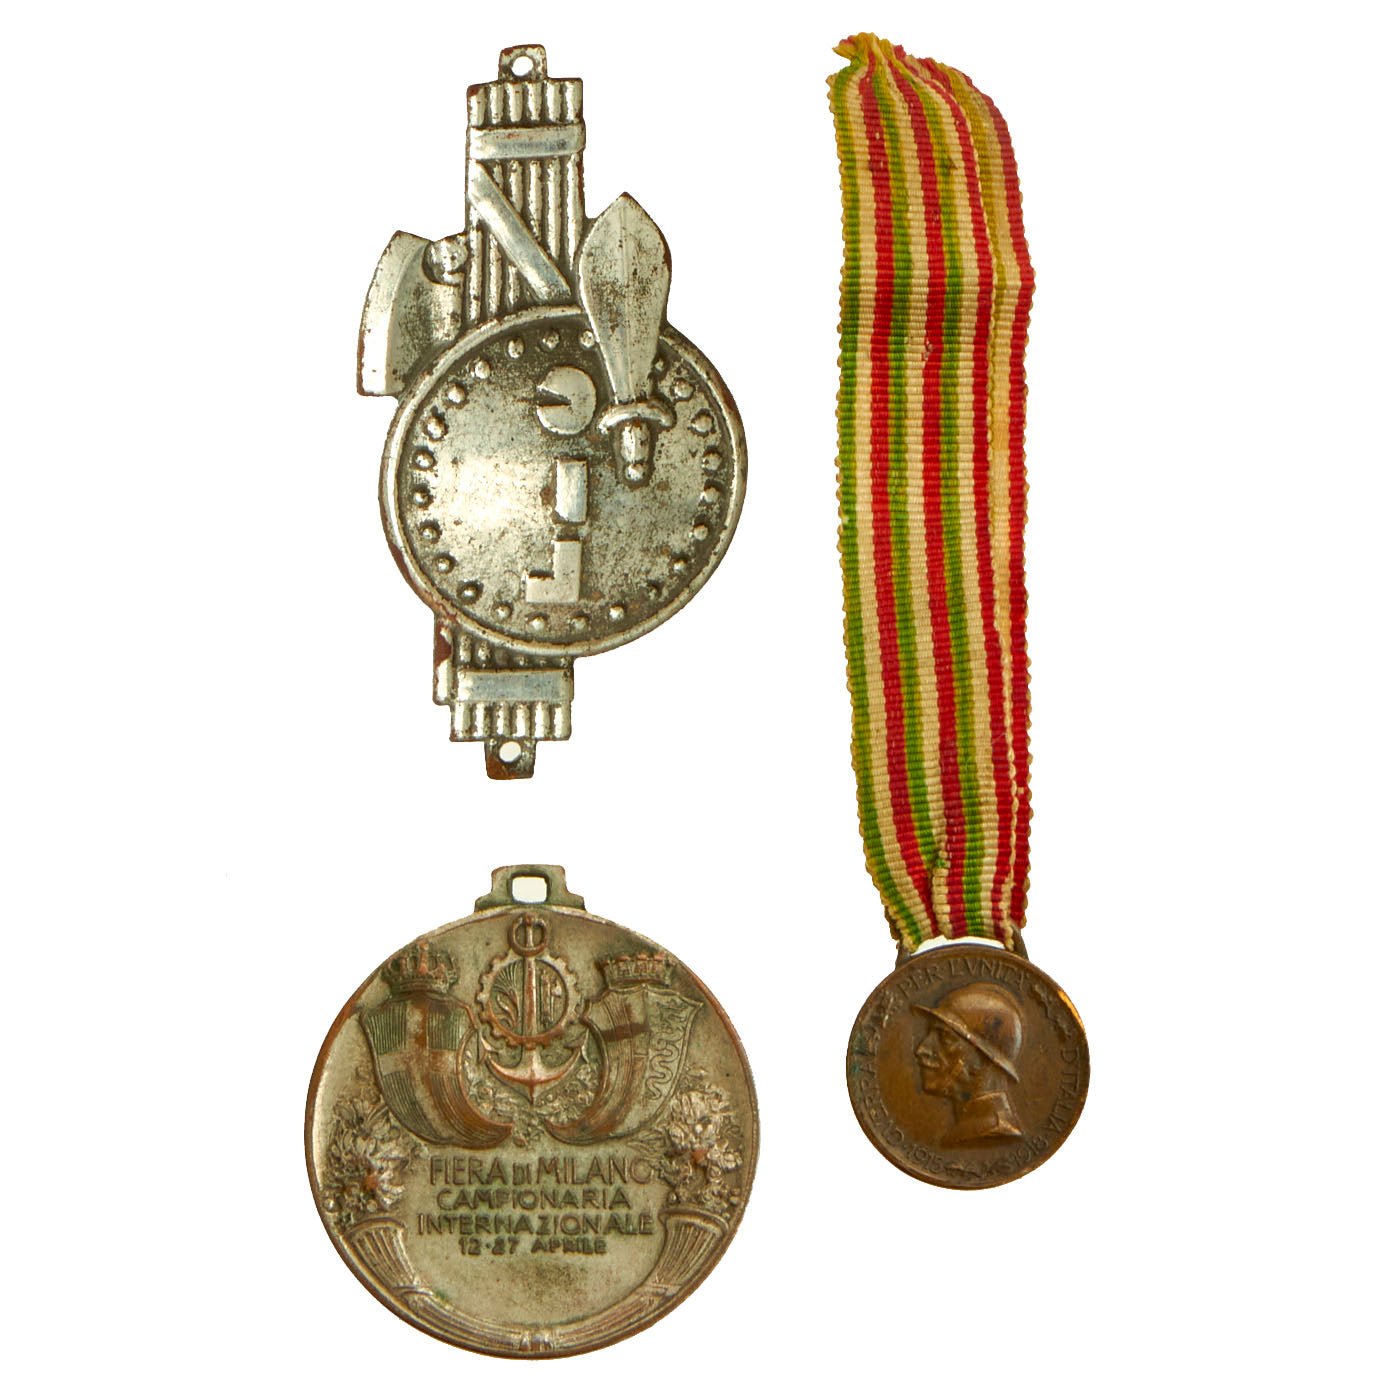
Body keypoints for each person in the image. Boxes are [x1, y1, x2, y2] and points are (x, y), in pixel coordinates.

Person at [914, 983, 1025, 1147]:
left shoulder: (993, 1130)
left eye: (945, 1037)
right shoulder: (967, 1128)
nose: (922, 1049)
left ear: (983, 1059)